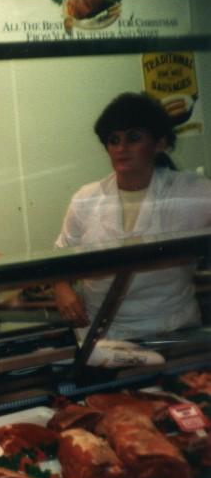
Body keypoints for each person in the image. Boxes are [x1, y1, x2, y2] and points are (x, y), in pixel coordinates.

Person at [54, 92, 211, 340]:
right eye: (113, 140)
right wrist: (62, 289)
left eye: (133, 138)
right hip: (103, 334)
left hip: (173, 330)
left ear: (159, 143)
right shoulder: (86, 198)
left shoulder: (189, 190)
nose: (121, 149)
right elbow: (59, 261)